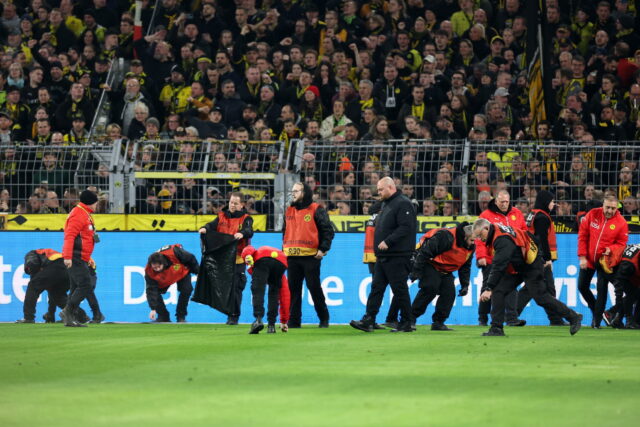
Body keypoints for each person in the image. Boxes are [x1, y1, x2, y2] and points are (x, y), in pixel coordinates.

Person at [472, 219, 583, 337]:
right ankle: (496, 328)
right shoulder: (498, 230)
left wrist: (489, 288)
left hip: (531, 267)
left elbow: (499, 265)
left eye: (480, 235)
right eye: (477, 237)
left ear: (486, 228)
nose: (480, 239)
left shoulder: (501, 239)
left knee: (541, 298)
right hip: (520, 265)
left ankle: (574, 317)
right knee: (498, 290)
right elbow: (527, 235)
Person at [350, 177, 417, 333]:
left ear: (391, 187)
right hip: (384, 256)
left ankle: (407, 322)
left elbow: (406, 227)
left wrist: (388, 241)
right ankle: (369, 320)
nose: (378, 193)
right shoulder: (388, 203)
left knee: (399, 289)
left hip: (398, 255)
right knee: (376, 288)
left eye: (381, 190)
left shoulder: (403, 203)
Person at [283, 182, 334, 328]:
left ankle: (324, 318)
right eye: (292, 191)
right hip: (292, 256)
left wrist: (323, 249)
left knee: (314, 287)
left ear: (304, 193)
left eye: (296, 191)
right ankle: (294, 321)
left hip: (311, 256)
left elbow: (328, 231)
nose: (293, 193)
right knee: (293, 290)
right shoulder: (288, 210)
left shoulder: (316, 209)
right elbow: (285, 232)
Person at [199, 192, 254, 325]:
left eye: (236, 203)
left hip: (238, 259)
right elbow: (210, 225)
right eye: (231, 202)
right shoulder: (221, 216)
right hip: (223, 259)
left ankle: (233, 316)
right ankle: (230, 313)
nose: (233, 205)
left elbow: (249, 230)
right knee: (225, 289)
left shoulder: (247, 218)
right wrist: (204, 229)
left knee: (236, 287)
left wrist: (242, 233)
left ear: (242, 205)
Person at [409, 223, 475, 331]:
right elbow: (425, 252)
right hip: (430, 264)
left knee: (449, 294)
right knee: (430, 288)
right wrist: (416, 271)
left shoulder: (470, 247)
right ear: (464, 237)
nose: (474, 243)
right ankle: (410, 318)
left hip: (446, 270)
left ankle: (438, 322)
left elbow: (465, 267)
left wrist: (465, 285)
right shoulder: (445, 236)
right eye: (472, 240)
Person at [476, 190, 527, 327]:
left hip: (511, 258)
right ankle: (482, 317)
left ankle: (511, 318)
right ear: (496, 201)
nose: (504, 204)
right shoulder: (485, 215)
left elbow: (524, 234)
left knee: (511, 287)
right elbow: (479, 238)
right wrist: (481, 255)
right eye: (501, 202)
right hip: (491, 257)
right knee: (488, 286)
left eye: (506, 202)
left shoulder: (517, 214)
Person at [577, 195, 628, 328]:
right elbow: (583, 235)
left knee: (602, 290)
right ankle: (596, 311)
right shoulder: (593, 214)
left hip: (604, 261)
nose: (609, 211)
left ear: (617, 207)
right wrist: (582, 257)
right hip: (588, 259)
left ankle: (596, 322)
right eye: (607, 207)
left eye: (613, 208)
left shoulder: (621, 222)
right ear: (603, 205)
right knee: (582, 286)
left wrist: (611, 249)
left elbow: (622, 244)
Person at [518, 190, 567, 326]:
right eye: (552, 201)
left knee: (531, 288)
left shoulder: (534, 214)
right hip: (539, 259)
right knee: (544, 289)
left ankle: (510, 315)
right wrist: (547, 258)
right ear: (546, 202)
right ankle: (555, 319)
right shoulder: (542, 217)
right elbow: (542, 239)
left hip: (533, 256)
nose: (553, 204)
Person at [60, 190, 100, 327]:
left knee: (75, 287)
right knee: (85, 285)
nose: (97, 205)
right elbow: (69, 236)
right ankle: (68, 312)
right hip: (75, 256)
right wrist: (67, 256)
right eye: (96, 202)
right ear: (92, 202)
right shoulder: (79, 214)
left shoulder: (84, 213)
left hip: (80, 257)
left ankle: (70, 317)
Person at [241, 245, 291, 334]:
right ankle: (271, 326)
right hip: (281, 262)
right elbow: (285, 297)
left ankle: (258, 320)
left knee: (258, 290)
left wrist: (247, 255)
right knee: (274, 293)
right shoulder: (282, 276)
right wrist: (284, 321)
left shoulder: (252, 264)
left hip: (262, 257)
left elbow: (249, 248)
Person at [144, 244, 199, 323]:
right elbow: (151, 291)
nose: (157, 269)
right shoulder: (149, 271)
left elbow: (191, 258)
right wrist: (153, 308)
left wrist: (198, 272)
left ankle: (181, 317)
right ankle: (163, 317)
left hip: (181, 272)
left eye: (158, 267)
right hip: (164, 279)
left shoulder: (175, 252)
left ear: (163, 263)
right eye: (154, 268)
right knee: (155, 293)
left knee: (187, 290)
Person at [16, 249, 70, 323]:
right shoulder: (46, 255)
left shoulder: (31, 253)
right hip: (66, 271)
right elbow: (50, 295)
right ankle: (81, 316)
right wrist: (51, 314)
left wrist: (33, 280)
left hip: (55, 265)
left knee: (32, 286)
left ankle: (28, 317)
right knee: (58, 296)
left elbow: (32, 263)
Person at [600, 244, 640, 329]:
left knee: (635, 293)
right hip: (611, 267)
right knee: (632, 293)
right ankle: (612, 313)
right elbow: (619, 281)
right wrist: (618, 304)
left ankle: (619, 320)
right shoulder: (629, 264)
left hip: (625, 269)